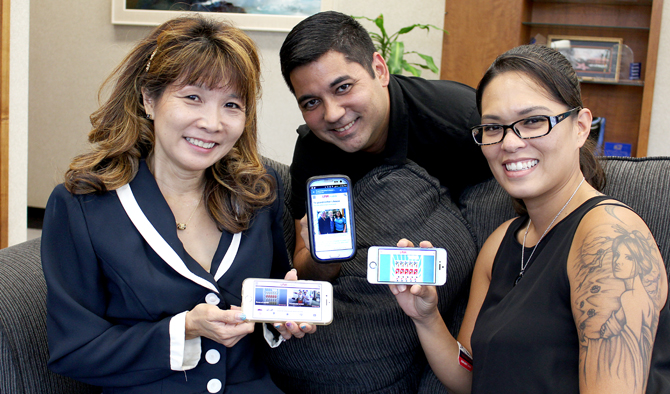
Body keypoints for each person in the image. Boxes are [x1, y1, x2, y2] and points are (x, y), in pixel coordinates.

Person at [391, 44, 670, 393]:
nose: (510, 143)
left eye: (533, 121)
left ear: (580, 127)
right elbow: (471, 375)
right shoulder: (502, 242)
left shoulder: (609, 238)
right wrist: (425, 316)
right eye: (493, 128)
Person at [41, 16, 315, 394]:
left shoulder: (255, 195)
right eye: (193, 98)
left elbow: (267, 298)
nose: (213, 122)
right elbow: (74, 351)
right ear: (148, 99)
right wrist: (183, 328)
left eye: (232, 104)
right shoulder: (82, 206)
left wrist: (281, 322)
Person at [280, 10, 492, 281]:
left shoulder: (461, 122)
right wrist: (324, 258)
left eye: (343, 87)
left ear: (379, 70)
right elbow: (302, 262)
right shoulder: (314, 150)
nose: (332, 114)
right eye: (311, 102)